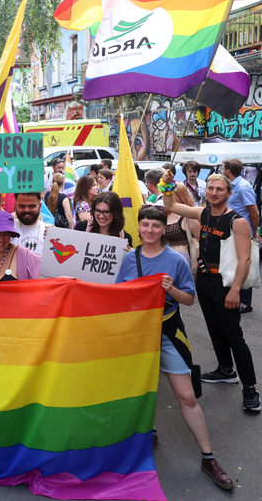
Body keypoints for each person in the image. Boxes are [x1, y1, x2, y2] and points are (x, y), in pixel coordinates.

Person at [115, 205, 235, 491]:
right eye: (144, 225)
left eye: (155, 226)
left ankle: (209, 459)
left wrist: (170, 289)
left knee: (186, 395)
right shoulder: (129, 259)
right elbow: (118, 296)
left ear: (163, 229)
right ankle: (149, 433)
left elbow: (189, 300)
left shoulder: (177, 260)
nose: (149, 231)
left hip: (168, 330)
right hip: (138, 334)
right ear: (139, 227)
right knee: (141, 390)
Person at [161, 171, 260, 412]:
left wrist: (235, 290)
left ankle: (250, 388)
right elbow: (171, 204)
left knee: (233, 334)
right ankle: (226, 370)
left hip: (225, 284)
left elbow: (245, 260)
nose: (214, 192)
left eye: (219, 189)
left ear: (229, 193)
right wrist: (168, 181)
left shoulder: (237, 221)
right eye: (211, 188)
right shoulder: (201, 213)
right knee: (214, 329)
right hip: (205, 281)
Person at [223, 158, 260, 314]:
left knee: (243, 264)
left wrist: (253, 231)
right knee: (232, 264)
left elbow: (254, 212)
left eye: (223, 169)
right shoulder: (232, 185)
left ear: (228, 171)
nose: (222, 171)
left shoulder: (243, 187)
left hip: (242, 232)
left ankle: (245, 302)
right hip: (231, 230)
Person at [166, 183, 201, 266]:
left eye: (169, 196)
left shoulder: (189, 217)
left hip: (183, 260)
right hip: (166, 259)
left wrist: (196, 264)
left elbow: (203, 242)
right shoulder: (165, 214)